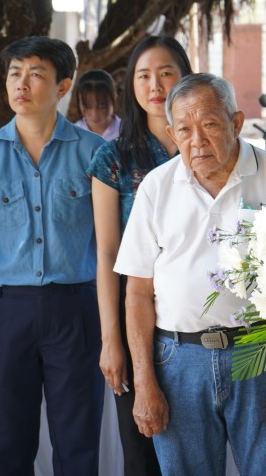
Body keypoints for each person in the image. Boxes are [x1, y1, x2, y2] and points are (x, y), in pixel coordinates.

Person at [114, 73, 266, 475]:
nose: (197, 141)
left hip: (260, 353)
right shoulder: (156, 187)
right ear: (172, 133)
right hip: (178, 361)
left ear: (236, 123)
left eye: (210, 125)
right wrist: (144, 381)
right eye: (184, 130)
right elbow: (137, 293)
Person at [0, 36, 104, 474]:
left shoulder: (94, 153)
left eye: (36, 74)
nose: (21, 83)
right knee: (8, 444)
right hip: (6, 311)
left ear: (63, 87)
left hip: (76, 309)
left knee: (78, 444)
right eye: (14, 73)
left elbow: (109, 238)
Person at [88, 35, 193, 475]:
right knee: (142, 451)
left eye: (166, 73)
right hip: (135, 318)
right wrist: (111, 340)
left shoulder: (206, 147)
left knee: (194, 450)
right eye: (144, 75)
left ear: (186, 77)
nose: (155, 85)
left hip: (196, 318)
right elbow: (107, 252)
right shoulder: (113, 158)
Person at [73, 68, 122, 140]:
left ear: (114, 99)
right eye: (87, 106)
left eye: (102, 106)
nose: (94, 114)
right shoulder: (73, 134)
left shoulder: (125, 132)